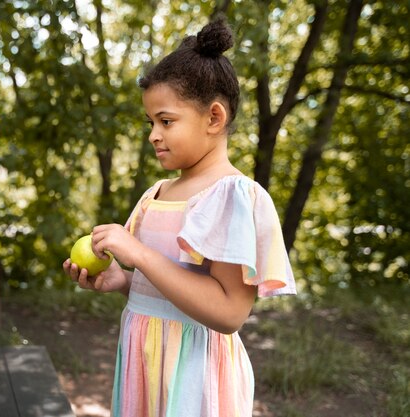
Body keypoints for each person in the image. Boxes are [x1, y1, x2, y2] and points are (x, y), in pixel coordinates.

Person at [63, 17, 296, 417]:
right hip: (144, 362)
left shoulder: (233, 197)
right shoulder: (156, 195)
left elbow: (229, 313)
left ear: (214, 118)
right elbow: (166, 284)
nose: (154, 134)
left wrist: (138, 254)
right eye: (151, 122)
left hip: (194, 377)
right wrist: (125, 281)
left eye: (166, 121)